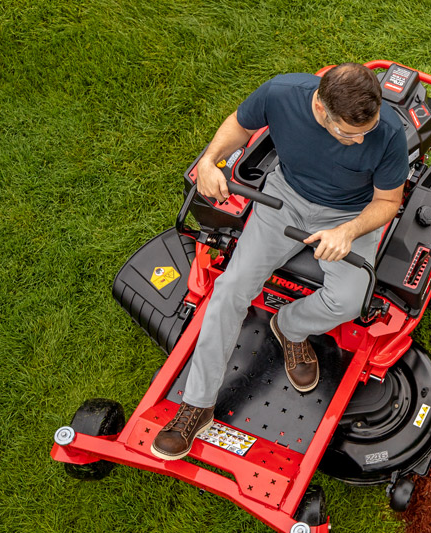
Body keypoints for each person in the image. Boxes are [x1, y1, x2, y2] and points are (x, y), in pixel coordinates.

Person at [150, 63, 408, 461]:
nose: (359, 142)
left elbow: (388, 201)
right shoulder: (280, 93)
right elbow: (238, 124)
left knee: (349, 300)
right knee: (230, 289)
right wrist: (209, 161)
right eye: (348, 133)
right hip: (283, 199)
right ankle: (197, 406)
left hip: (349, 214)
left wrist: (349, 232)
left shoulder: (386, 133)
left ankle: (289, 326)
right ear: (320, 109)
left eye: (365, 131)